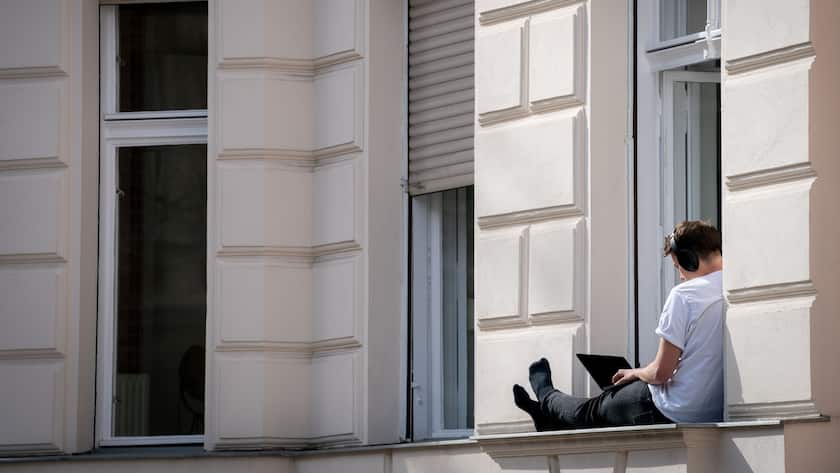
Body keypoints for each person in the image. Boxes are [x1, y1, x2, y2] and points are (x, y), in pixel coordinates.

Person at [513, 220, 724, 430]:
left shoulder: (684, 296)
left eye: (678, 267)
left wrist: (635, 373)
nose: (680, 276)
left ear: (690, 260)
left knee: (590, 411)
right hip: (712, 412)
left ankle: (546, 396)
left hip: (669, 408)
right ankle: (545, 418)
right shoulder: (733, 290)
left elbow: (660, 373)